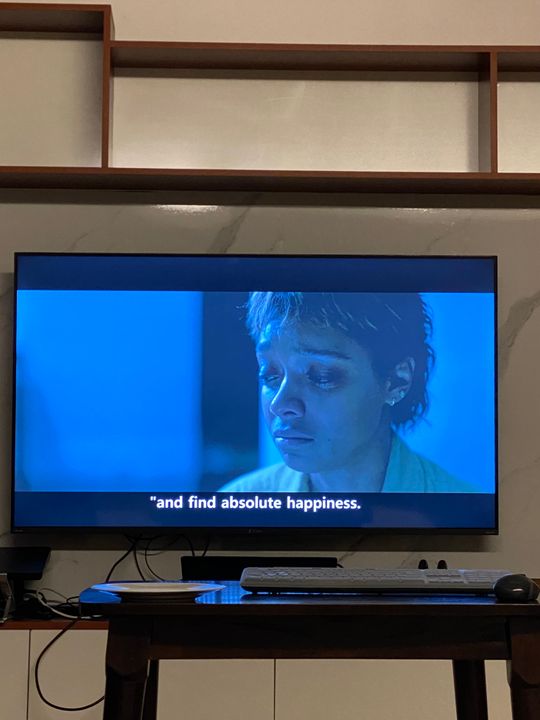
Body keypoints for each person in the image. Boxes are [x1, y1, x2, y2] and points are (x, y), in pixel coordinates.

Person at [220, 291, 472, 493]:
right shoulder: (237, 505)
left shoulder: (458, 509)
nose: (279, 404)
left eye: (322, 376)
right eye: (270, 374)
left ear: (397, 381)